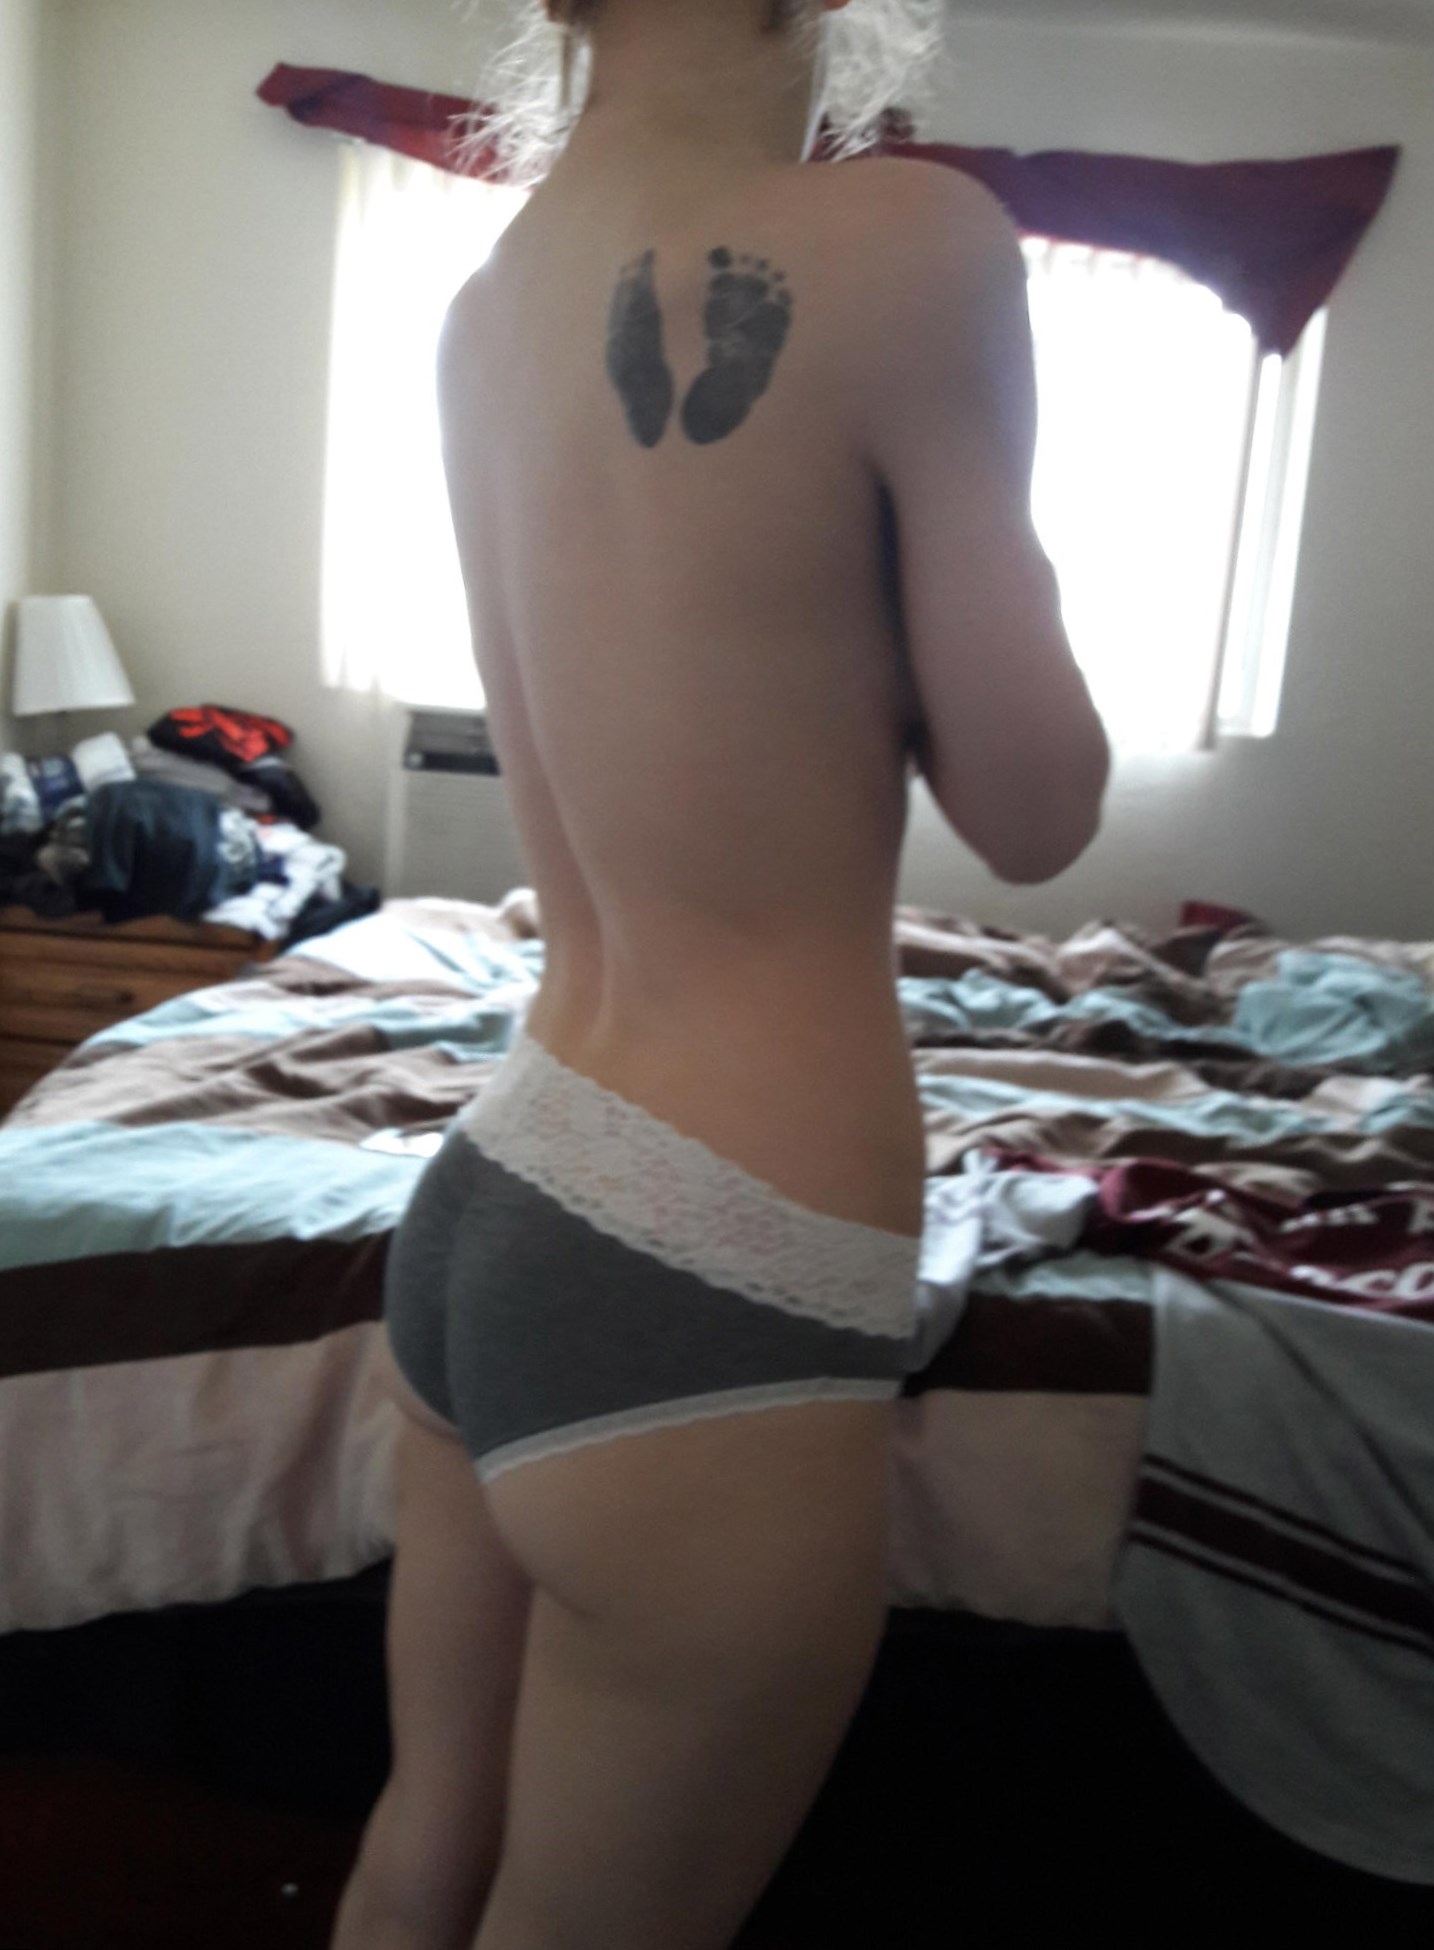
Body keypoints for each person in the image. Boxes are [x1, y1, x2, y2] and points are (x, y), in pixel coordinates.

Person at [333, 1, 1110, 1946]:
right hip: (718, 1238)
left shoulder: (485, 309)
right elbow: (1036, 810)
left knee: (426, 1850)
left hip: (500, 1178)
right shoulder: (910, 243)